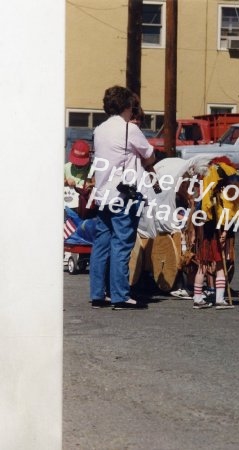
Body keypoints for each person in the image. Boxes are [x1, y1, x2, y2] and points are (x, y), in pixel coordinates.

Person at [89, 85, 155, 310]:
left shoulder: (99, 130)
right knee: (122, 242)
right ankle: (120, 295)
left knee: (101, 243)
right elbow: (149, 157)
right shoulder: (130, 129)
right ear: (128, 105)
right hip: (124, 194)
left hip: (103, 193)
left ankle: (98, 294)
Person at [192, 157, 239, 310]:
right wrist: (225, 232)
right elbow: (228, 212)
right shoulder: (223, 194)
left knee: (203, 264)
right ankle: (220, 299)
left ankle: (198, 297)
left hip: (205, 229)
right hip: (216, 229)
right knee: (219, 265)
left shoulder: (207, 190)